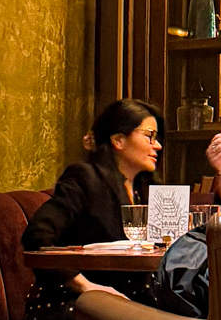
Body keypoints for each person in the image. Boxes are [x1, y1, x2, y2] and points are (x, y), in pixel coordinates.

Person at [23, 99, 163, 250]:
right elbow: (37, 235)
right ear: (118, 140)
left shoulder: (146, 189)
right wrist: (74, 275)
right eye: (150, 136)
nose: (158, 146)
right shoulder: (86, 178)